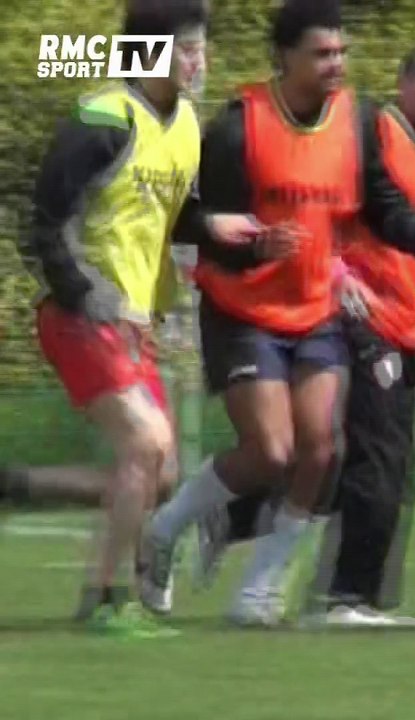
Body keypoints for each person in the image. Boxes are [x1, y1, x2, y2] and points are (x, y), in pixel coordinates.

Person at [137, 0, 415, 628]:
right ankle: (164, 530)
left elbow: (384, 206)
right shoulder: (239, 126)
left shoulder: (356, 123)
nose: (336, 64)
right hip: (243, 308)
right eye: (322, 53)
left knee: (321, 451)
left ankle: (259, 595)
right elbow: (186, 218)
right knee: (272, 452)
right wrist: (236, 236)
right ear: (285, 58)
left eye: (342, 52)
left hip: (315, 310)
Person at [15, 0, 278, 637]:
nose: (199, 61)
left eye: (202, 48)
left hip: (135, 321)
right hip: (85, 312)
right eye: (186, 48)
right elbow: (43, 224)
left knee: (157, 473)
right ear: (148, 53)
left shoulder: (186, 123)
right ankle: (109, 602)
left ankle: (21, 485)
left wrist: (216, 226)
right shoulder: (103, 118)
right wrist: (83, 292)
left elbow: (175, 214)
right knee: (146, 443)